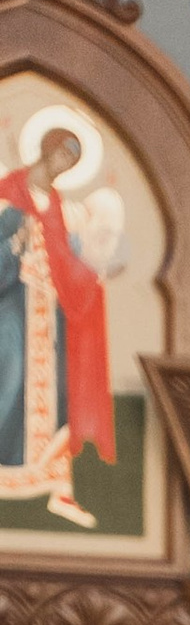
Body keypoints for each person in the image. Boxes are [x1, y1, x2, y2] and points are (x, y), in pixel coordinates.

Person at [0, 122, 113, 529]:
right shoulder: (7, 196)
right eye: (62, 154)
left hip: (51, 317)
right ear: (46, 150)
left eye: (73, 160)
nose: (64, 164)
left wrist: (90, 277)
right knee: (8, 382)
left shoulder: (59, 206)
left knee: (58, 395)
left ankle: (58, 491)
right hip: (11, 310)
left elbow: (66, 260)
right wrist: (16, 247)